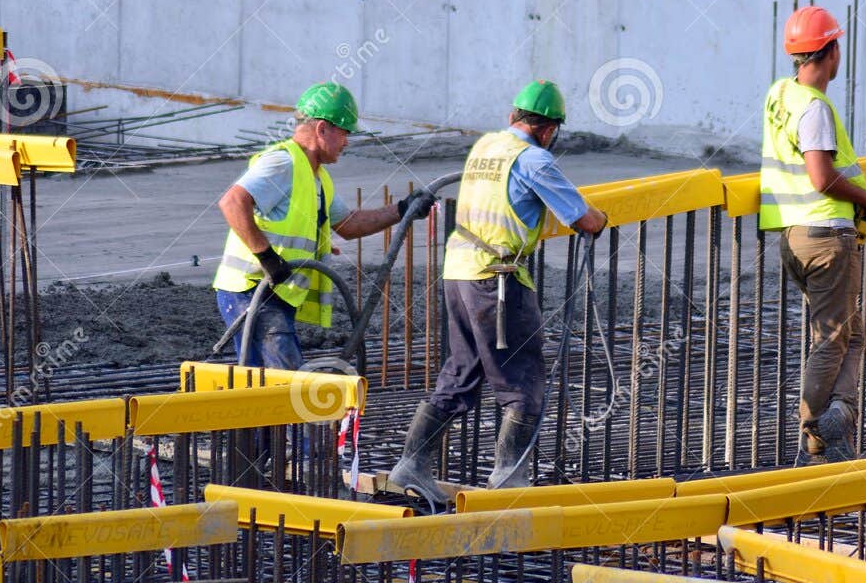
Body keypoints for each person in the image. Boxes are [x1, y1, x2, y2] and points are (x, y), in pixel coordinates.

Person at [389, 80, 608, 508]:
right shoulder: (535, 160)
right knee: (522, 378)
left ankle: (411, 464)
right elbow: (582, 218)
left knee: (462, 370)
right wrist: (602, 218)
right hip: (497, 281)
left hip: (458, 273)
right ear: (548, 130)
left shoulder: (486, 147)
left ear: (513, 119)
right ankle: (509, 477)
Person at [214, 82, 432, 369]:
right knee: (284, 379)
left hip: (274, 291)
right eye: (344, 133)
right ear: (322, 129)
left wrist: (402, 210)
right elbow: (232, 202)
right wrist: (267, 256)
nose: (347, 142)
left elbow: (349, 224)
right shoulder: (283, 163)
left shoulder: (316, 177)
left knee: (265, 378)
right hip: (251, 288)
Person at [759, 6, 866, 463]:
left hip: (793, 235)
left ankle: (840, 413)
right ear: (832, 52)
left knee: (849, 334)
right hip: (827, 235)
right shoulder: (815, 108)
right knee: (834, 338)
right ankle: (815, 439)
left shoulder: (781, 94)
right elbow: (820, 175)